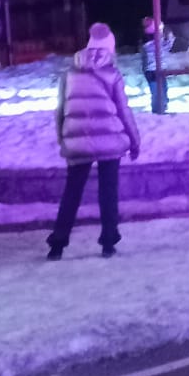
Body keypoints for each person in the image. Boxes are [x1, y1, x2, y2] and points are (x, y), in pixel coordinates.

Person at [46, 23, 140, 260]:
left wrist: (62, 140)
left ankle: (57, 244)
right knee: (108, 192)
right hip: (110, 141)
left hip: (77, 142)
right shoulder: (112, 74)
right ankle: (108, 242)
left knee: (72, 192)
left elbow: (60, 110)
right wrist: (134, 140)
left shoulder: (69, 74)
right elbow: (123, 110)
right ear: (110, 48)